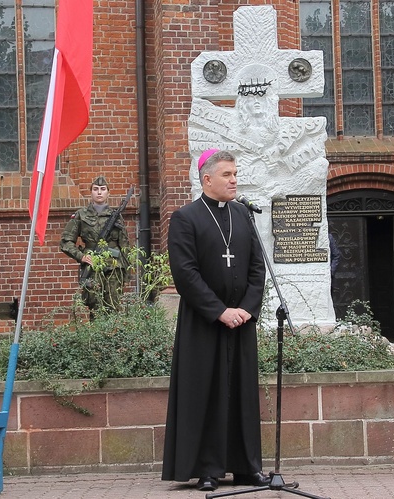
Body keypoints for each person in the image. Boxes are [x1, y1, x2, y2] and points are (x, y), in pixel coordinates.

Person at [161, 149, 270, 492]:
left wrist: (248, 309)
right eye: (227, 174)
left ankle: (246, 465)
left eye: (235, 173)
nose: (234, 179)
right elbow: (185, 274)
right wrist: (220, 311)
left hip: (241, 323)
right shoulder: (186, 218)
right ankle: (208, 467)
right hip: (204, 323)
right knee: (205, 393)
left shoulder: (243, 215)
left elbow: (257, 267)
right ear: (207, 179)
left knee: (242, 395)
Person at [60, 176, 129, 313]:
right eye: (95, 189)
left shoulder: (115, 216)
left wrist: (125, 271)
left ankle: (113, 334)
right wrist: (81, 256)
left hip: (113, 267)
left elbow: (125, 245)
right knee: (95, 306)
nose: (99, 192)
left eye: (103, 189)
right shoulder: (81, 215)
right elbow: (66, 242)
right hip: (92, 266)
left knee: (114, 307)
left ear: (108, 193)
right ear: (90, 192)